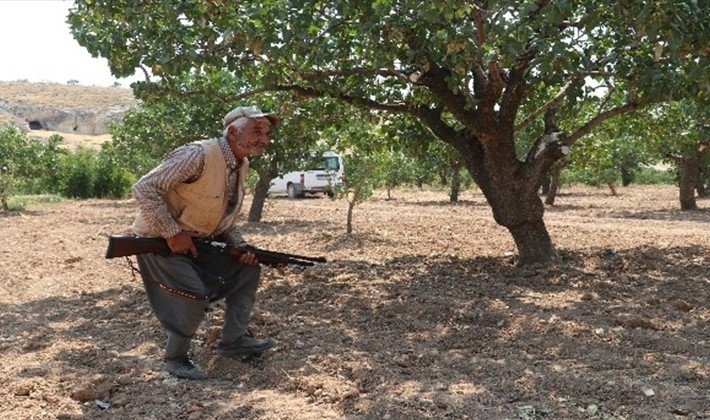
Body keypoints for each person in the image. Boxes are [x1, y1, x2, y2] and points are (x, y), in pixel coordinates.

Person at [130, 105, 281, 380]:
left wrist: (241, 247)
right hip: (160, 241)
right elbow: (144, 188)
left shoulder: (241, 163)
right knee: (192, 294)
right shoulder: (197, 154)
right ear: (233, 132)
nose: (265, 139)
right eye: (257, 131)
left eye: (267, 133)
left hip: (199, 241)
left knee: (247, 270)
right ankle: (175, 359)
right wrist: (171, 232)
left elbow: (225, 218)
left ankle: (233, 341)